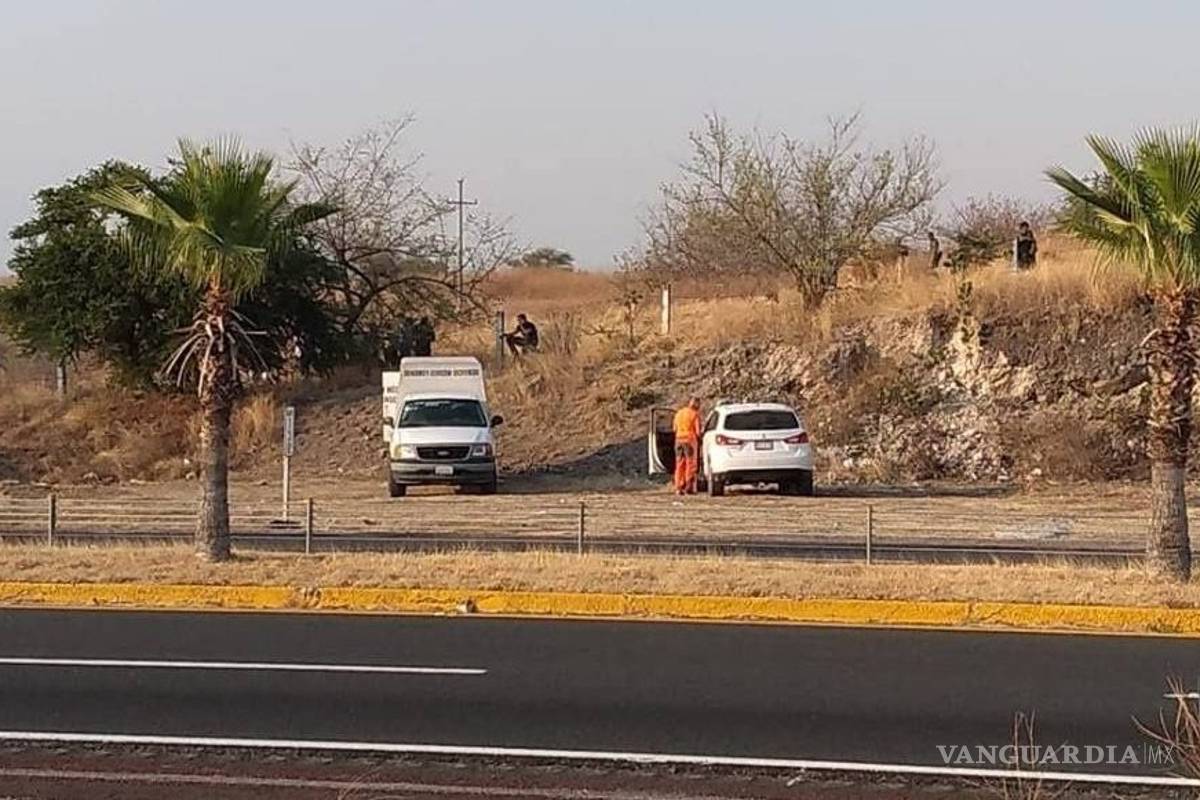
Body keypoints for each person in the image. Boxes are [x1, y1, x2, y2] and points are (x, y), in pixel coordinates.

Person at [672, 397, 702, 496]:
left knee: (679, 464)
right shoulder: (694, 415)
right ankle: (689, 487)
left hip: (678, 440)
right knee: (690, 464)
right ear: (696, 404)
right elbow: (698, 432)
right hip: (689, 441)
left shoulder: (679, 413)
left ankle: (678, 487)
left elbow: (674, 429)